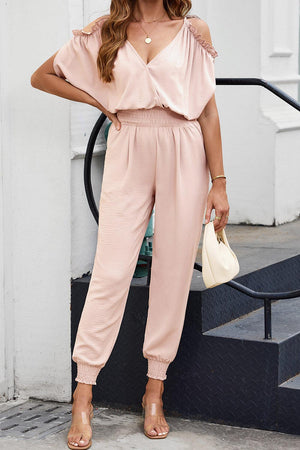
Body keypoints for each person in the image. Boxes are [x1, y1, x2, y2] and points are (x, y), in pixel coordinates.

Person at [31, 0, 229, 448]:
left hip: (185, 147)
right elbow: (43, 75)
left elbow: (209, 111)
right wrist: (100, 101)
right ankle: (84, 394)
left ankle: (154, 390)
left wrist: (219, 181)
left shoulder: (193, 31)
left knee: (173, 273)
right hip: (128, 144)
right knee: (111, 271)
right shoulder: (106, 30)